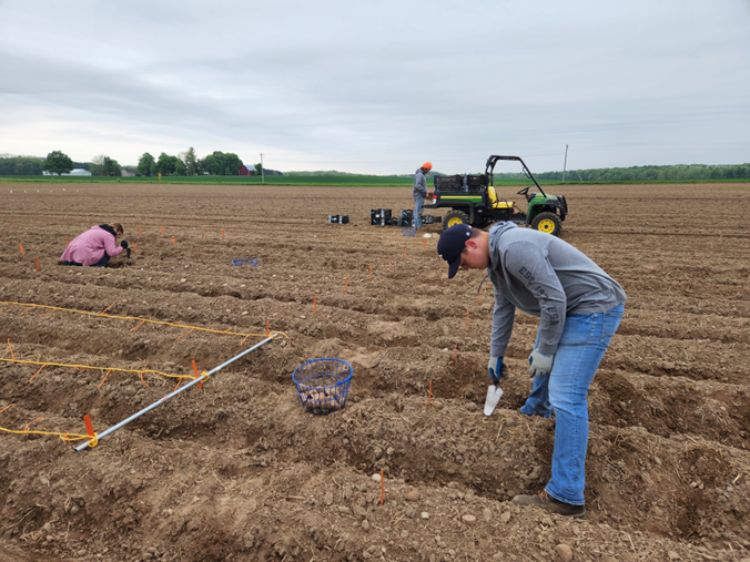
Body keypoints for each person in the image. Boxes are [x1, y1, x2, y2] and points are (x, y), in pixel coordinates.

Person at [437, 222, 626, 517]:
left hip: (592, 307)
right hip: (567, 308)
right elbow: (503, 308)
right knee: (540, 358)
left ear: (471, 245)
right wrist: (495, 356)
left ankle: (566, 496)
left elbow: (554, 300)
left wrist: (547, 351)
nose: (464, 270)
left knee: (567, 395)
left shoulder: (515, 249)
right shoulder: (496, 261)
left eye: (461, 264)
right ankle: (537, 410)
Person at [60, 223, 130, 267]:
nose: (118, 237)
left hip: (71, 252)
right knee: (107, 251)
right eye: (119, 235)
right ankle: (98, 266)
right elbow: (111, 252)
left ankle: (74, 263)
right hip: (85, 253)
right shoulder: (109, 235)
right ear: (116, 231)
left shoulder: (95, 230)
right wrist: (121, 247)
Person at [412, 161, 432, 230]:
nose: (428, 171)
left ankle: (416, 225)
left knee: (417, 210)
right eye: (428, 170)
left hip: (419, 194)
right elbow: (417, 185)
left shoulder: (420, 174)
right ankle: (418, 226)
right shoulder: (420, 175)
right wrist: (425, 191)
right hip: (418, 195)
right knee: (418, 211)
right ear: (425, 169)